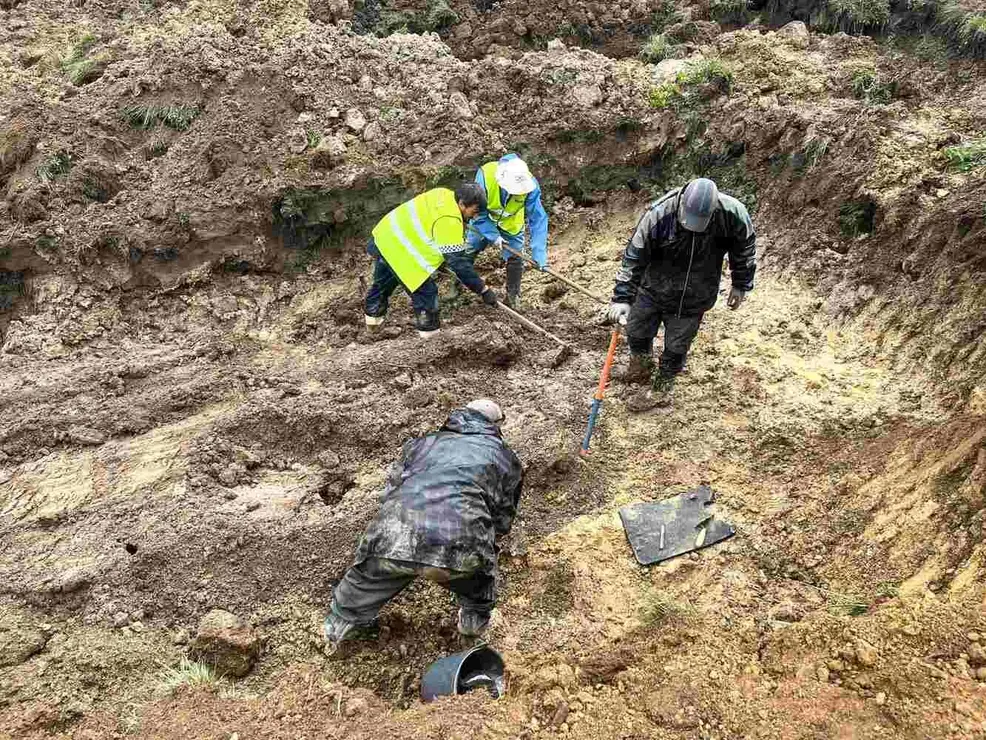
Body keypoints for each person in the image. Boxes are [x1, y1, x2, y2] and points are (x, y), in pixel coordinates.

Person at [323, 400, 523, 655]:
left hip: (393, 535)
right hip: (458, 547)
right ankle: (472, 627)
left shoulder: (422, 444)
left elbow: (391, 491)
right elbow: (502, 518)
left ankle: (334, 632)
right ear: (496, 426)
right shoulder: (505, 457)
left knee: (364, 581)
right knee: (478, 582)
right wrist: (484, 542)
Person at [606, 178, 756, 397]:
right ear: (682, 202)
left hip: (695, 295)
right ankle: (640, 367)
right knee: (637, 332)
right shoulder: (659, 214)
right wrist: (622, 298)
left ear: (713, 211)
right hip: (652, 288)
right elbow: (634, 256)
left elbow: (745, 251)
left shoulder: (733, 215)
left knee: (677, 346)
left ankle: (663, 386)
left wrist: (741, 284)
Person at [364, 182, 498, 338]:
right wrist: (483, 290)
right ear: (461, 203)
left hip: (385, 235)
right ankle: (431, 339)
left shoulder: (442, 193)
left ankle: (372, 325)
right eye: (473, 211)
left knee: (383, 283)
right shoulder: (449, 220)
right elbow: (459, 264)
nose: (474, 216)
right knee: (427, 293)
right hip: (400, 250)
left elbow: (428, 226)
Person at [465, 154, 550, 309]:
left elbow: (538, 218)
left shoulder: (529, 185)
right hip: (483, 220)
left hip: (511, 223)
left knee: (516, 257)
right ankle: (457, 288)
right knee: (469, 250)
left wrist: (539, 252)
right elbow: (478, 213)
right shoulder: (485, 176)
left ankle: (513, 296)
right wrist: (493, 236)